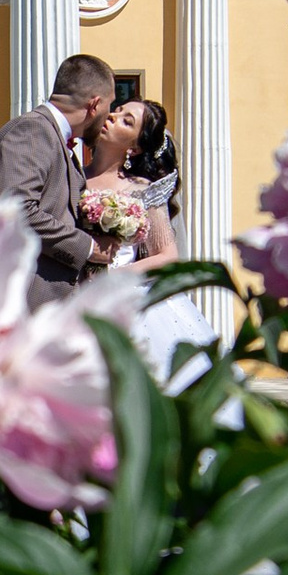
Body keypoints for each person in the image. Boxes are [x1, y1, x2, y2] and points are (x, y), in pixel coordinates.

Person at [83, 93, 216, 385]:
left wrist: (112, 276)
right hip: (74, 294)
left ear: (135, 147)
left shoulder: (141, 189)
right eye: (117, 110)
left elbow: (166, 256)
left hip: (126, 301)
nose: (112, 117)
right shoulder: (73, 178)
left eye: (126, 121)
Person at [0, 53, 114, 286]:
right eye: (110, 105)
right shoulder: (32, 131)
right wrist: (88, 247)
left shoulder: (51, 135)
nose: (109, 116)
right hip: (21, 295)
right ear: (94, 105)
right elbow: (18, 211)